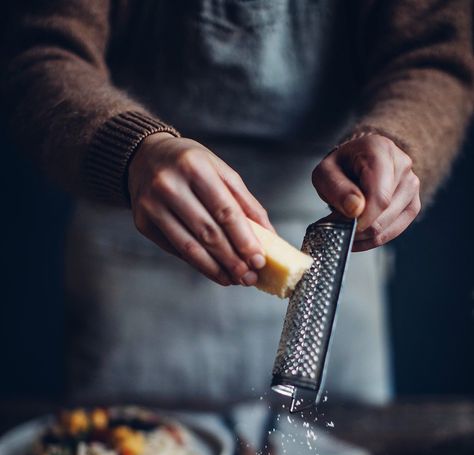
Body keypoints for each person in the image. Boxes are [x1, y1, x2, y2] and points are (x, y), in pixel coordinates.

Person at [2, 2, 472, 409]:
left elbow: (435, 55)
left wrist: (400, 141)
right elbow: (38, 52)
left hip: (332, 245)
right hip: (135, 248)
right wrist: (131, 153)